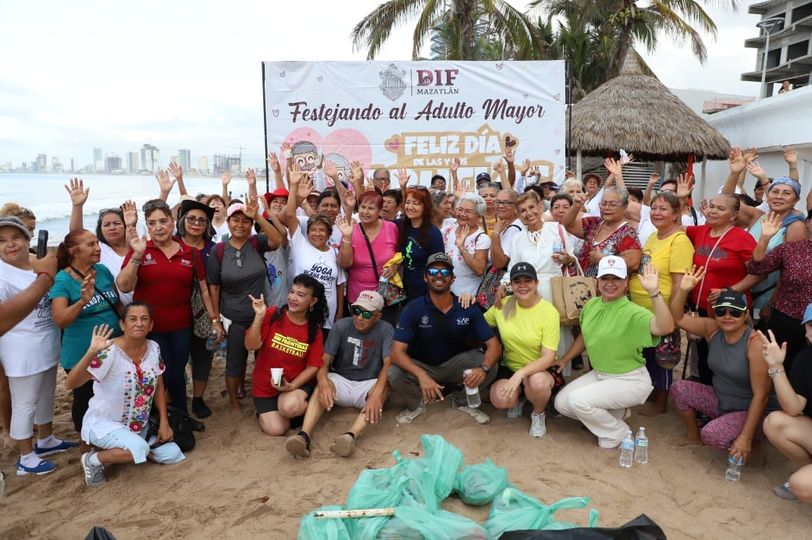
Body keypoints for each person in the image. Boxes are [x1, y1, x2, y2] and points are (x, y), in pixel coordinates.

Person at [554, 257, 674, 448]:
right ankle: (615, 413)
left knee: (578, 401)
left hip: (630, 379)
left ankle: (619, 433)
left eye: (616, 278)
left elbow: (665, 327)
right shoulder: (592, 305)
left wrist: (654, 292)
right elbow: (585, 336)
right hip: (601, 374)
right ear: (598, 281)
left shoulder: (633, 311)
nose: (610, 283)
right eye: (605, 278)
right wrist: (565, 358)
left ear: (626, 282)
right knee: (562, 404)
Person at [117, 199, 221, 415]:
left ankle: (180, 416)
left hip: (182, 326)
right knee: (161, 373)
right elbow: (124, 286)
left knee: (177, 371)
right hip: (150, 328)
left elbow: (203, 290)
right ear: (147, 226)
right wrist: (136, 256)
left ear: (173, 222)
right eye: (152, 223)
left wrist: (214, 320)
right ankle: (164, 417)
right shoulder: (141, 249)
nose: (158, 227)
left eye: (163, 221)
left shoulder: (189, 252)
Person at [67, 305, 185, 488]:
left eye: (144, 319)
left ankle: (135, 448)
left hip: (139, 426)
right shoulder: (109, 351)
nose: (139, 323)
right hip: (105, 423)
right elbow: (70, 383)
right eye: (132, 319)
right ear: (122, 324)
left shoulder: (154, 348)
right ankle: (92, 459)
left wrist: (164, 422)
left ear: (151, 325)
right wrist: (91, 352)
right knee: (138, 448)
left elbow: (159, 386)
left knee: (173, 453)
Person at [669, 268, 776, 464]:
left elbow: (761, 396)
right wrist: (683, 290)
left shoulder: (754, 343)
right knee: (679, 388)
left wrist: (746, 437)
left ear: (745, 314)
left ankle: (754, 441)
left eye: (735, 312)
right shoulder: (712, 329)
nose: (728, 316)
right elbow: (678, 318)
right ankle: (693, 435)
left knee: (712, 434)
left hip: (750, 410)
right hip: (721, 400)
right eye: (721, 311)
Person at [0, 217, 77, 475]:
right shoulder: (2, 274)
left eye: (15, 238)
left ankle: (46, 439)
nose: (10, 244)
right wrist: (45, 277)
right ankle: (26, 456)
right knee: (24, 402)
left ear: (27, 238)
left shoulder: (38, 262)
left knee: (46, 394)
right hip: (20, 349)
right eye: (1, 241)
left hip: (46, 342)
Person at [388, 253, 501, 425]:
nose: (439, 275)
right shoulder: (413, 309)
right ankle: (416, 405)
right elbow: (396, 353)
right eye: (433, 271)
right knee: (394, 372)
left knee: (490, 365)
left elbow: (494, 346)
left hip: (456, 363)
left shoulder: (467, 307)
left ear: (453, 278)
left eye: (445, 272)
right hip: (423, 365)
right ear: (425, 277)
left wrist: (483, 369)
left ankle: (462, 401)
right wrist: (421, 375)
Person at [285, 290, 394, 457]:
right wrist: (323, 382)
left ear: (377, 316)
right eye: (356, 310)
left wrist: (377, 394)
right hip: (341, 380)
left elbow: (388, 364)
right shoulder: (341, 326)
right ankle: (304, 435)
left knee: (384, 388)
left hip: (368, 383)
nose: (359, 317)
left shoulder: (386, 329)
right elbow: (325, 360)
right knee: (322, 384)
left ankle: (350, 435)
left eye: (366, 314)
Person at [208, 198, 283, 414]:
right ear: (228, 222)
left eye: (245, 221)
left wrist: (257, 215)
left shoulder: (257, 243)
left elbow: (278, 239)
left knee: (265, 359)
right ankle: (234, 403)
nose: (240, 225)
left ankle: (265, 395)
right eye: (235, 220)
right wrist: (216, 320)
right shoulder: (219, 251)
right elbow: (214, 288)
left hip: (260, 315)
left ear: (251, 224)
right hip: (234, 317)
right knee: (235, 362)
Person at [628, 192, 694, 416]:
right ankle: (653, 394)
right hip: (642, 310)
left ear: (676, 214)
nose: (657, 213)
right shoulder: (653, 237)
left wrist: (672, 314)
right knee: (648, 354)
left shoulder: (679, 241)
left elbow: (678, 282)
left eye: (663, 209)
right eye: (654, 208)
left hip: (661, 309)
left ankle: (661, 403)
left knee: (663, 356)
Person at [51, 228, 122, 435]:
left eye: (97, 243)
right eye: (91, 244)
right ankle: (85, 441)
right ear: (74, 251)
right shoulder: (63, 280)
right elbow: (60, 319)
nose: (98, 248)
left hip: (112, 348)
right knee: (86, 400)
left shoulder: (102, 271)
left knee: (110, 396)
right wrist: (82, 301)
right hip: (82, 353)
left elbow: (116, 304)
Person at [684, 193, 756, 384]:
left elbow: (758, 273)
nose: (712, 211)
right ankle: (705, 395)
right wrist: (682, 199)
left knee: (729, 359)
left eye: (720, 208)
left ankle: (728, 396)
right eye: (712, 206)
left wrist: (731, 291)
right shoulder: (699, 231)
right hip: (700, 307)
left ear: (734, 215)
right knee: (704, 358)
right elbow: (673, 226)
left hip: (730, 309)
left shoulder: (742, 238)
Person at [486, 263, 562, 438]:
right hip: (511, 367)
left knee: (537, 383)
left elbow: (548, 357)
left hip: (540, 370)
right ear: (511, 285)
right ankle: (520, 398)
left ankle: (538, 413)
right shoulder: (502, 305)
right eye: (517, 281)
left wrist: (521, 374)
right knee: (500, 399)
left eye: (528, 280)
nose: (522, 285)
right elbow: (479, 324)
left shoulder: (548, 311)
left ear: (536, 283)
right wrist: (466, 301)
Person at [246, 274, 327, 436]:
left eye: (300, 295)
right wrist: (259, 317)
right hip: (265, 385)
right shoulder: (273, 314)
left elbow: (313, 367)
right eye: (292, 292)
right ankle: (271, 412)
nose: (293, 298)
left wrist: (292, 386)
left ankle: (305, 407)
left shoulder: (314, 330)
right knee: (276, 429)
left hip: (293, 384)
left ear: (312, 301)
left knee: (289, 407)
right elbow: (250, 345)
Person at [759, 305, 812, 503]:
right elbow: (793, 408)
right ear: (806, 330)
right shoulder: (806, 358)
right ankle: (807, 470)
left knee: (802, 485)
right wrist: (776, 367)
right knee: (775, 423)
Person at [285, 173, 346, 332]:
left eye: (322, 230)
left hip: (327, 317)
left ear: (329, 234)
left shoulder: (335, 252)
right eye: (313, 230)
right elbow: (290, 215)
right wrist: (294, 188)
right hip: (301, 313)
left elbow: (339, 284)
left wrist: (340, 312)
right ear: (307, 231)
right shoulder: (300, 244)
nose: (317, 234)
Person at [176, 198, 217, 417]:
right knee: (176, 357)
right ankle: (177, 397)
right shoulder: (172, 244)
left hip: (205, 310)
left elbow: (216, 284)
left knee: (203, 355)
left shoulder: (214, 249)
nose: (196, 223)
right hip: (177, 309)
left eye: (202, 220)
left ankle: (198, 398)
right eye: (191, 218)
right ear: (182, 221)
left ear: (208, 225)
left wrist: (215, 317)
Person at [743, 177, 807, 314]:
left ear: (796, 200)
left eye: (786, 193)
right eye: (775, 191)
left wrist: (771, 303)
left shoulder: (796, 227)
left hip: (767, 296)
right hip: (744, 290)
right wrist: (735, 173)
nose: (779, 196)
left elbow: (791, 271)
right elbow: (728, 204)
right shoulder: (758, 216)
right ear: (767, 195)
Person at [337, 190, 400, 323]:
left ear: (380, 211)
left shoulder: (391, 228)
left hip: (386, 295)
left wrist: (395, 266)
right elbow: (344, 263)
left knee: (385, 331)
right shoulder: (351, 230)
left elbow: (399, 254)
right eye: (363, 207)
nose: (365, 212)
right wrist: (347, 238)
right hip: (358, 297)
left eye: (371, 208)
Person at [562, 187, 643, 277]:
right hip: (583, 283)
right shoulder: (594, 223)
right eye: (603, 204)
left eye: (612, 205)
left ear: (624, 207)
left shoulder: (627, 233)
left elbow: (633, 263)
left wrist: (603, 259)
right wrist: (576, 206)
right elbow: (568, 225)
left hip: (608, 284)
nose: (606, 208)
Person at [398, 187, 444, 301]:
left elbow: (439, 265)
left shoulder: (433, 233)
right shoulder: (401, 225)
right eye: (407, 202)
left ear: (425, 206)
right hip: (404, 292)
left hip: (425, 294)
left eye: (416, 203)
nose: (410, 207)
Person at [441, 193, 491, 296]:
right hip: (443, 292)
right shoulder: (447, 230)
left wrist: (462, 248)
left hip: (467, 296)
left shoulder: (481, 239)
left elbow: (479, 270)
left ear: (479, 215)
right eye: (460, 209)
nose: (462, 214)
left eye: (468, 211)